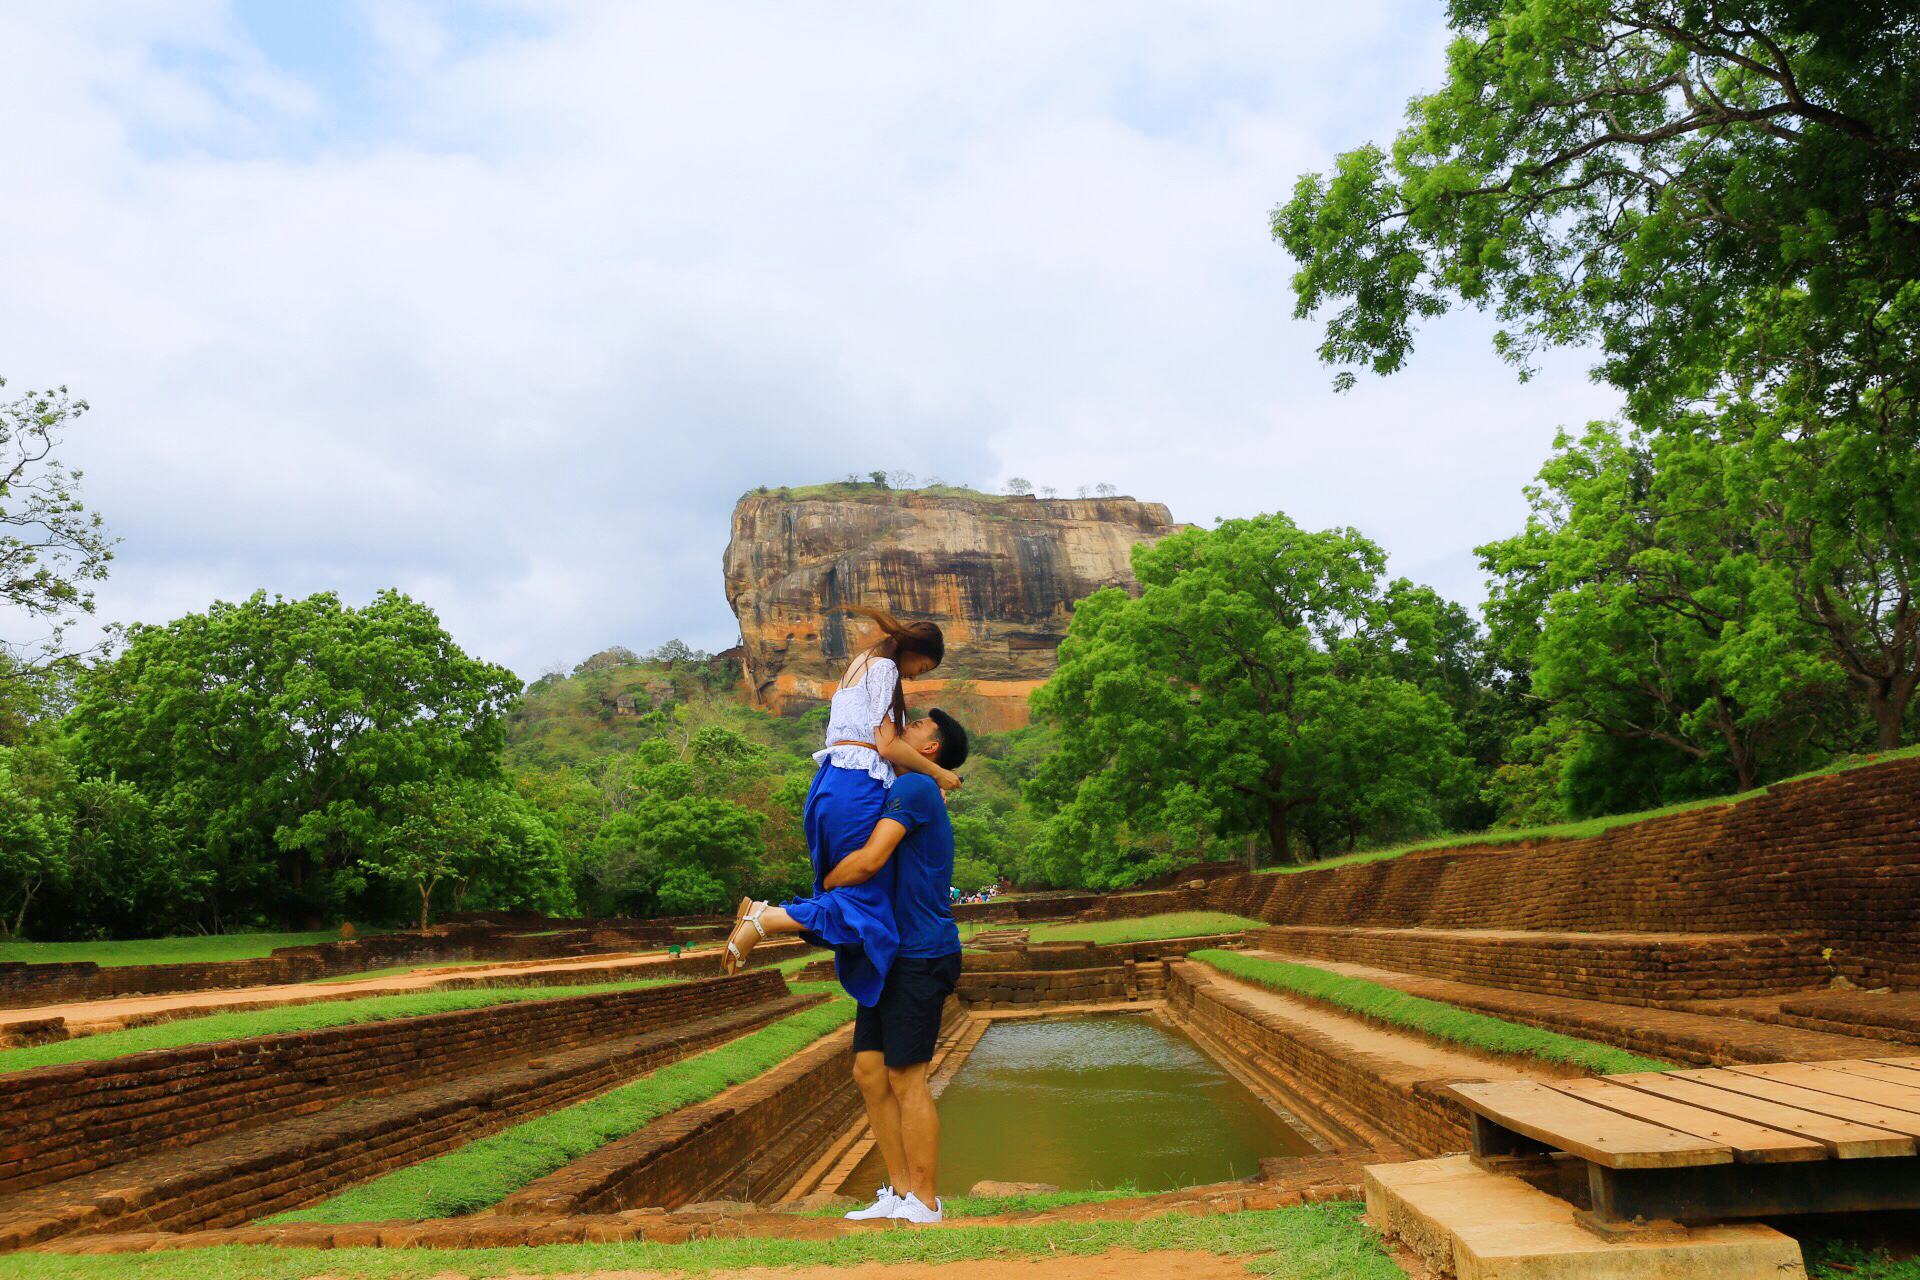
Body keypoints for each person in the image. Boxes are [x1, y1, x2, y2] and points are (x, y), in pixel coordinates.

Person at [721, 606, 961, 1007]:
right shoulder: (885, 669)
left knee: (854, 893)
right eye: (922, 668)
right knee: (867, 902)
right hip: (857, 786)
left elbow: (882, 747)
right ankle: (766, 919)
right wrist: (939, 774)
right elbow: (887, 746)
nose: (916, 676)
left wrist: (924, 780)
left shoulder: (860, 663)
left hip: (831, 784)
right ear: (916, 650)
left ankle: (770, 919)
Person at [822, 729, 968, 1224]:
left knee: (906, 1076)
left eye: (916, 726)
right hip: (892, 952)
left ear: (931, 747)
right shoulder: (905, 785)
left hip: (922, 952)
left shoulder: (916, 787)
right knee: (869, 1071)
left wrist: (827, 882)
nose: (901, 729)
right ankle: (900, 1191)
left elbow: (870, 860)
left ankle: (925, 1202)